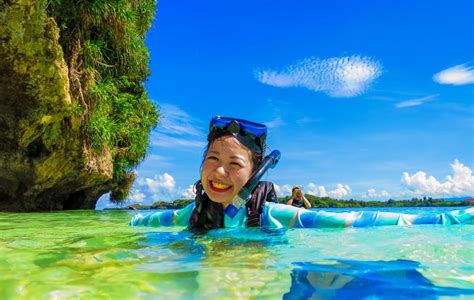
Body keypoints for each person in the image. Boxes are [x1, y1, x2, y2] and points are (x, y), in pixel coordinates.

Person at [131, 116, 473, 231]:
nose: (219, 171)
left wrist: (455, 218)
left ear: (254, 173)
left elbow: (357, 221)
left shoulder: (268, 215)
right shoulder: (192, 214)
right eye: (211, 158)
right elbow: (140, 224)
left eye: (235, 164)